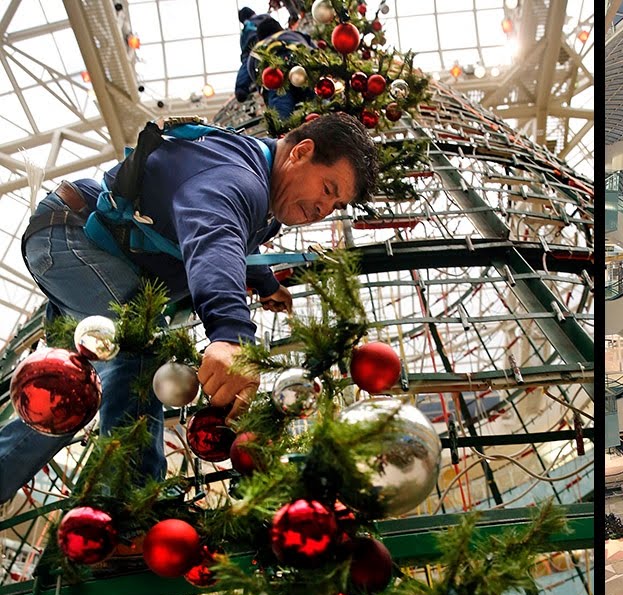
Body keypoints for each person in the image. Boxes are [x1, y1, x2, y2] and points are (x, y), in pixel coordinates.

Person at [0, 113, 379, 504]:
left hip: (80, 247)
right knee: (141, 354)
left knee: (63, 398)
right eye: (327, 188)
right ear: (301, 152)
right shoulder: (240, 179)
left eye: (336, 204)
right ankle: (129, 512)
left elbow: (234, 238)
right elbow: (214, 238)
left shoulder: (259, 185)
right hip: (75, 245)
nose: (323, 209)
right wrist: (231, 336)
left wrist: (266, 283)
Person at [235, 16, 318, 121]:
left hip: (275, 81)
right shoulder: (294, 35)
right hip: (303, 70)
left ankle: (283, 132)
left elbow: (247, 69)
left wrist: (241, 89)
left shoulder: (257, 49)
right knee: (318, 105)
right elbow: (315, 51)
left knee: (281, 115)